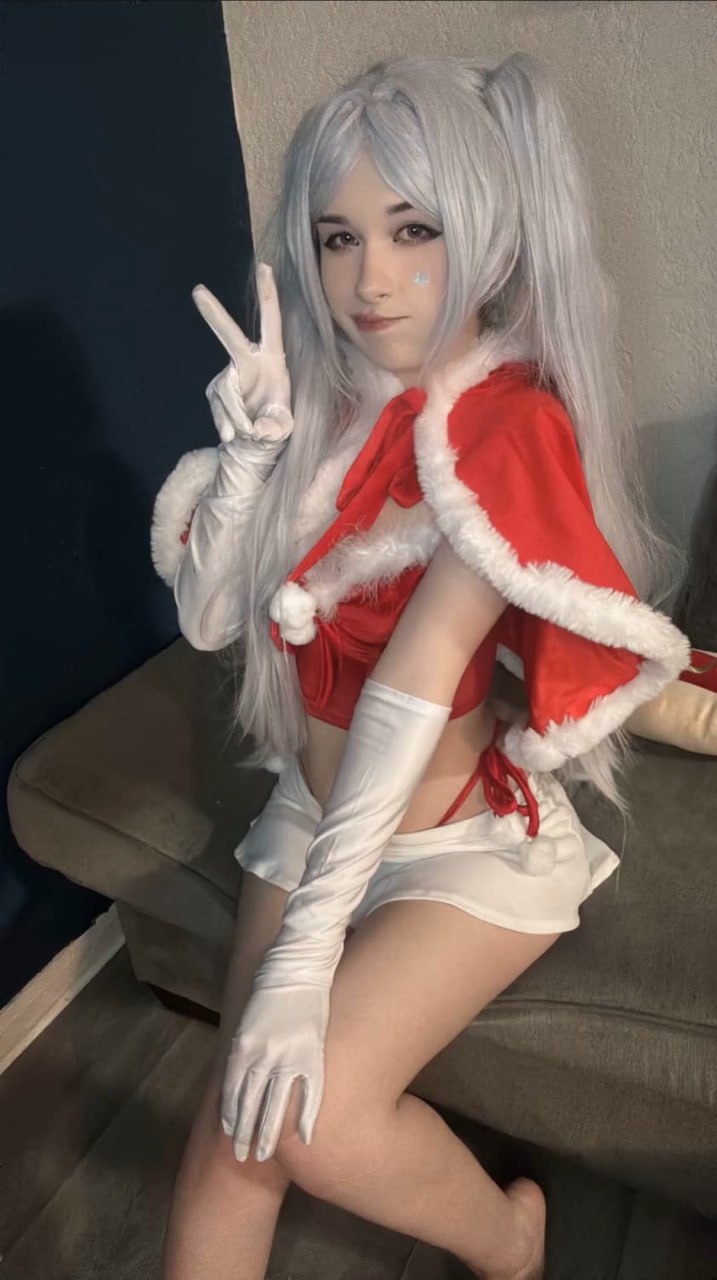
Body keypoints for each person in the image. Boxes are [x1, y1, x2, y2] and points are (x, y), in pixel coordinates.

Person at [151, 53, 690, 1280]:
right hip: (313, 817)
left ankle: (510, 1240)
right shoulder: (319, 401)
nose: (370, 280)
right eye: (338, 238)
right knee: (235, 1136)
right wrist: (250, 465)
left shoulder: (502, 428)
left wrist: (303, 957)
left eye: (412, 230)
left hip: (452, 838)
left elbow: (411, 689)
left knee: (312, 1118)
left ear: (483, 236)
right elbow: (210, 618)